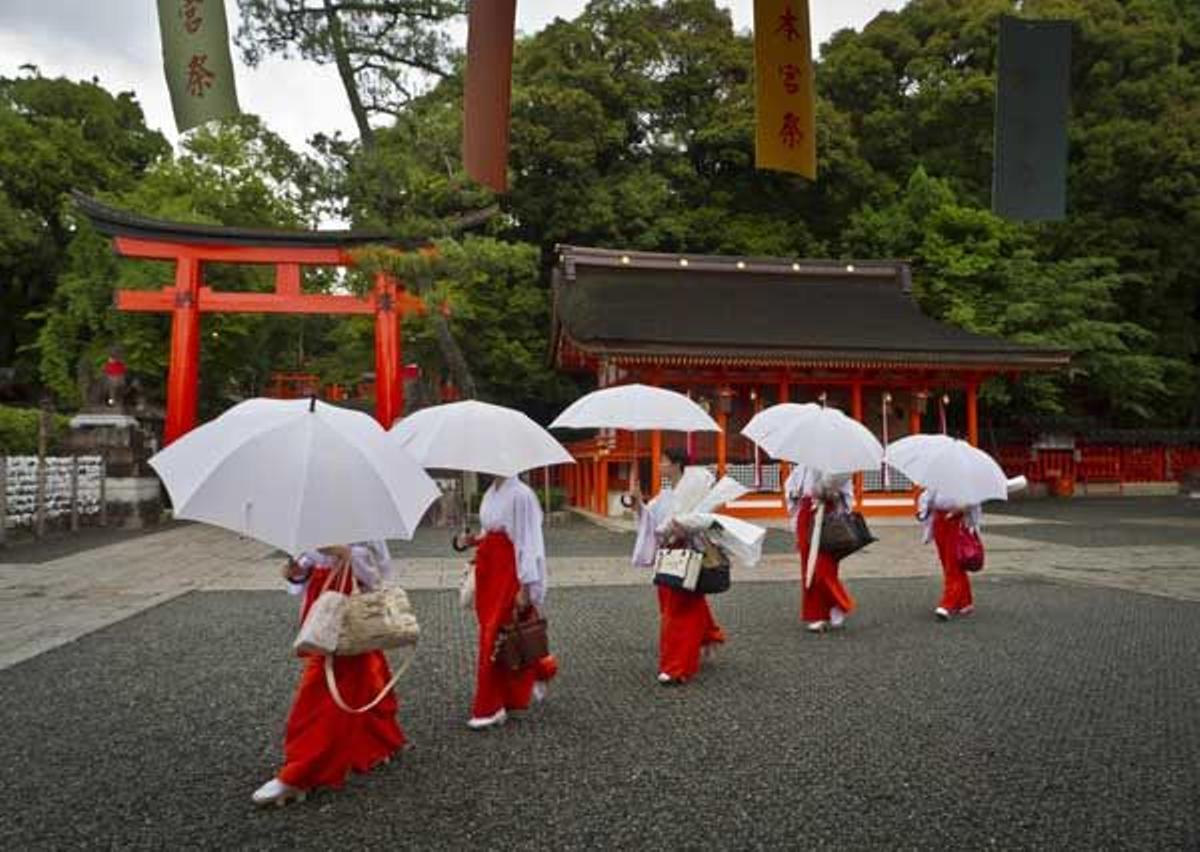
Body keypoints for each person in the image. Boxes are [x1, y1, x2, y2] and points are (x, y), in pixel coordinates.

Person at [253, 541, 405, 806]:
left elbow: (379, 575)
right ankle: (378, 740)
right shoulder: (316, 520)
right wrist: (295, 572)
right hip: (323, 612)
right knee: (366, 677)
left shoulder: (364, 522)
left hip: (348, 613)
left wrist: (348, 555)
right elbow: (306, 569)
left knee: (321, 689)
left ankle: (302, 771)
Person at [461, 474, 558, 731]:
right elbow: (490, 532)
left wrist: (526, 585)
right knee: (506, 631)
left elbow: (528, 542)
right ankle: (537, 671)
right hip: (489, 568)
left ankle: (490, 705)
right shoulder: (492, 490)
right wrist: (471, 541)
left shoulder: (521, 494)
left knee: (496, 634)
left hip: (508, 571)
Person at [631, 448, 727, 684]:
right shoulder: (665, 494)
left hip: (689, 551)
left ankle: (677, 667)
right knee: (675, 604)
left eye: (663, 461)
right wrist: (636, 503)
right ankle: (709, 636)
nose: (660, 465)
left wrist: (680, 524)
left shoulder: (696, 487)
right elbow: (650, 518)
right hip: (669, 555)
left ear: (677, 464)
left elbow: (706, 518)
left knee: (679, 610)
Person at [785, 464, 856, 633]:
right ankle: (816, 615)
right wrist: (795, 495)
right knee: (807, 566)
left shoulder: (840, 466)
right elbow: (790, 489)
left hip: (829, 514)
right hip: (807, 513)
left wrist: (833, 494)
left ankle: (837, 604)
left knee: (825, 566)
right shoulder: (802, 467)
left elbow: (847, 496)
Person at [917, 489, 981, 621]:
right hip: (940, 521)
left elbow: (975, 500)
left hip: (957, 522)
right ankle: (965, 601)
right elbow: (926, 496)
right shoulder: (938, 478)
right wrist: (923, 509)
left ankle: (947, 604)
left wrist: (962, 508)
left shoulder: (966, 481)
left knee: (953, 563)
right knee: (947, 562)